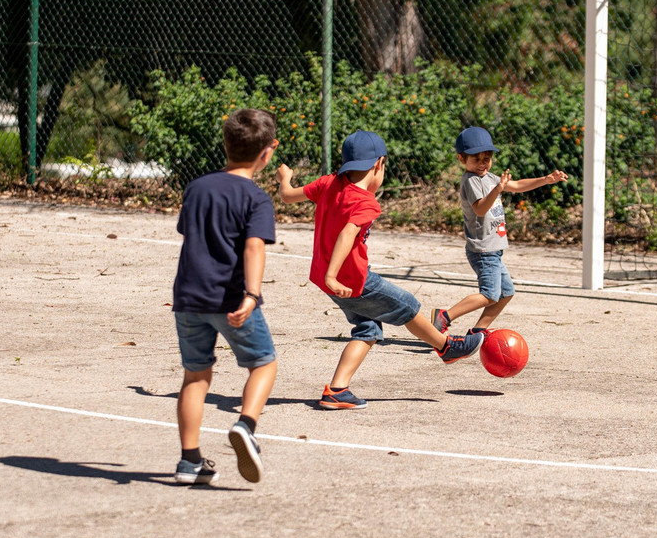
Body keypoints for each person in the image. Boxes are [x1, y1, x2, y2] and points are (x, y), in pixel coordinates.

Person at [275, 129, 485, 410]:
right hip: (351, 280)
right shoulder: (366, 202)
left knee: (368, 329)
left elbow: (288, 196)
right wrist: (333, 275)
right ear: (378, 164)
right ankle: (446, 346)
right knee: (407, 305)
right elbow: (348, 233)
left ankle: (336, 390)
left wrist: (285, 179)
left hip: (328, 281)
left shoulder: (328, 183)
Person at [172, 108, 279, 486]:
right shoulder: (256, 198)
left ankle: (189, 461)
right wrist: (251, 294)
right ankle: (246, 425)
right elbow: (254, 247)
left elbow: (190, 234)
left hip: (188, 297)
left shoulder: (197, 187)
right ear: (267, 152)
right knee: (263, 363)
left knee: (195, 376)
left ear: (226, 144)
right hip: (231, 298)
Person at [432, 126, 568, 337]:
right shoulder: (471, 181)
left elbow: (517, 185)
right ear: (461, 159)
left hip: (493, 249)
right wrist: (497, 190)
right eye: (476, 159)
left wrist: (546, 179)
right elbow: (480, 209)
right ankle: (445, 316)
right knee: (489, 294)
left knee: (506, 293)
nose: (482, 163)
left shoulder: (489, 177)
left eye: (487, 158)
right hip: (483, 250)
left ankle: (478, 331)